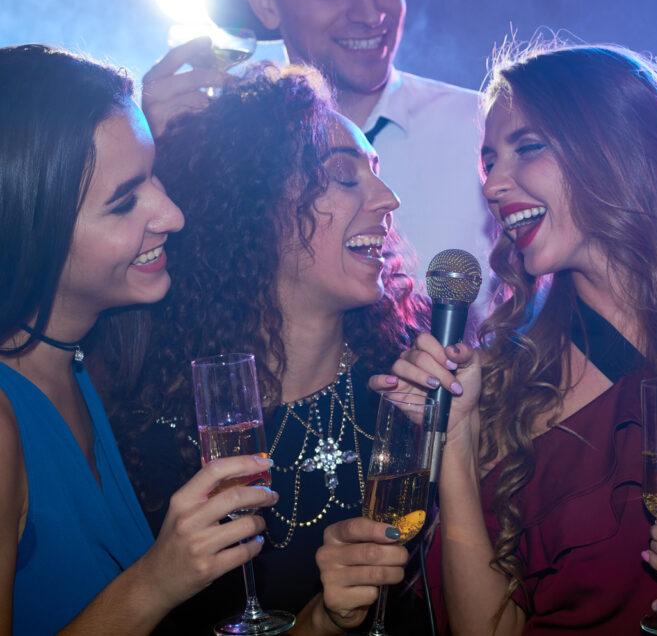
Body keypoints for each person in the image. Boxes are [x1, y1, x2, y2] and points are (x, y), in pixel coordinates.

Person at [366, 43, 657, 635]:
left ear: (614, 148)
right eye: (489, 161)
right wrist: (456, 446)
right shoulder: (510, 376)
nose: (493, 184)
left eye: (527, 148)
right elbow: (489, 629)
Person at [102, 62, 431, 635]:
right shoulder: (159, 426)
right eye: (344, 175)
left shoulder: (406, 394)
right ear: (256, 208)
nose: (389, 198)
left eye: (375, 172)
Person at [0, 44, 277, 635]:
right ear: (30, 227)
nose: (171, 214)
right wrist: (157, 581)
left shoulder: (77, 367)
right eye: (126, 201)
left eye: (155, 177)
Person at [143, 0, 493, 290]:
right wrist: (164, 167)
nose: (370, 14)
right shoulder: (234, 160)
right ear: (266, 1)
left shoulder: (483, 129)